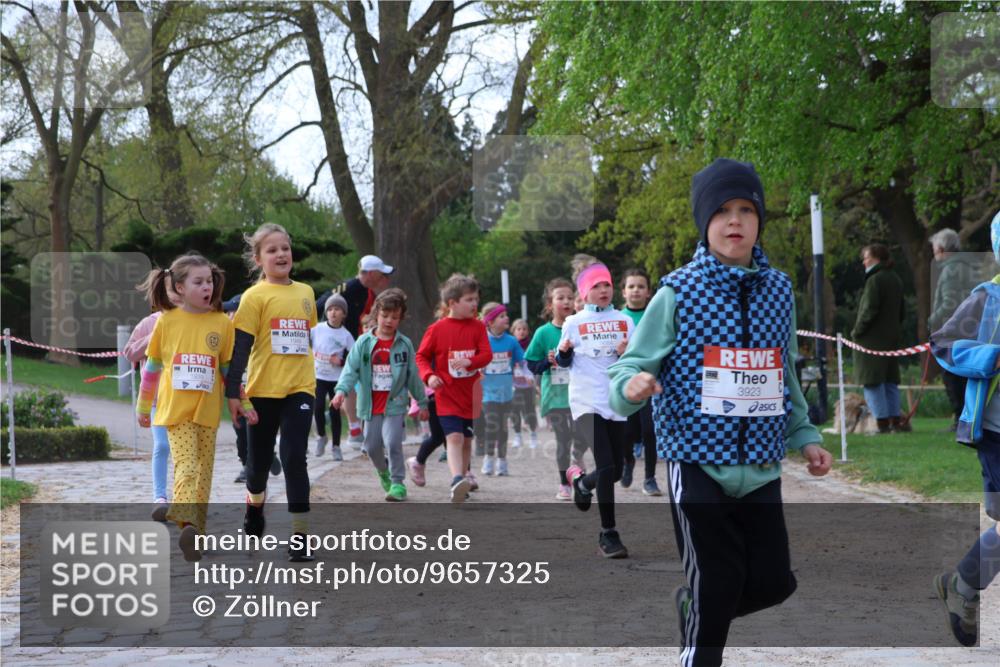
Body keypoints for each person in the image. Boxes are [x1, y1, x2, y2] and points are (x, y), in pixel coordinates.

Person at [608, 158, 832, 667]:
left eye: (747, 210)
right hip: (697, 461)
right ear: (704, 222)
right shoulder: (676, 291)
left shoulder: (778, 291)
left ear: (759, 221)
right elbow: (629, 366)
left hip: (760, 465)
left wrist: (805, 434)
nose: (736, 221)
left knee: (774, 582)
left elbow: (784, 371)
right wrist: (635, 385)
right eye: (723, 211)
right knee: (719, 579)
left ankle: (696, 608)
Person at [135, 254, 251, 561]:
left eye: (209, 281)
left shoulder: (221, 324)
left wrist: (242, 401)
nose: (206, 288)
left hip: (208, 414)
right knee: (186, 465)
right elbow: (152, 370)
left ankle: (196, 533)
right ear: (180, 287)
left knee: (204, 475)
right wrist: (143, 407)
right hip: (175, 412)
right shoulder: (167, 322)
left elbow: (228, 371)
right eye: (198, 282)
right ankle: (185, 519)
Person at [225, 223, 318, 562]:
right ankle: (253, 508)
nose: (281, 254)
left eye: (285, 248)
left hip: (300, 389)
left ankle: (300, 535)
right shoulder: (254, 297)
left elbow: (306, 340)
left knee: (295, 457)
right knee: (258, 465)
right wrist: (233, 393)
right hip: (262, 390)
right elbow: (240, 348)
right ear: (258, 258)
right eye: (272, 250)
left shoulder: (307, 293)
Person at [928, 212, 1000, 647]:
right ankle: (963, 585)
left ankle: (962, 583)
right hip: (996, 433)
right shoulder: (989, 298)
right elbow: (943, 344)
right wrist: (989, 357)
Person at [560, 255, 634, 558]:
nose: (604, 290)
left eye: (607, 284)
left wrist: (625, 353)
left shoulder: (625, 321)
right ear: (584, 293)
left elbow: (636, 359)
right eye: (596, 285)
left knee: (614, 470)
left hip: (615, 400)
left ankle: (582, 482)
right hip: (586, 401)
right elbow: (564, 362)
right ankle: (608, 533)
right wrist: (563, 352)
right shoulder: (574, 323)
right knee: (606, 465)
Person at [332, 288, 427, 501]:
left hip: (395, 403)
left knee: (393, 442)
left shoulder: (404, 344)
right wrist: (341, 391)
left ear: (401, 318)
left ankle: (397, 483)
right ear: (377, 314)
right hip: (370, 404)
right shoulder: (364, 343)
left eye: (394, 317)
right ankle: (383, 471)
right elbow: (350, 369)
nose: (389, 321)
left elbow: (413, 374)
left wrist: (422, 402)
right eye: (385, 315)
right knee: (372, 446)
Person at [415, 274, 492, 503]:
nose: (474, 304)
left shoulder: (478, 327)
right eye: (469, 299)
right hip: (446, 394)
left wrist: (471, 362)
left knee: (467, 440)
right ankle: (456, 479)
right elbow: (421, 357)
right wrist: (429, 377)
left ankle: (465, 476)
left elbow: (486, 354)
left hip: (470, 394)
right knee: (454, 437)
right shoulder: (437, 329)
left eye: (476, 299)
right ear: (452, 303)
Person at [316, 255, 394, 447]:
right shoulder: (348, 288)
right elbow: (321, 304)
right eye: (382, 274)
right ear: (371, 273)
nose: (385, 278)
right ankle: (353, 429)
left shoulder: (370, 294)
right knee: (348, 384)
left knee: (354, 384)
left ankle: (354, 427)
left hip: (355, 344)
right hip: (337, 346)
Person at [526, 277, 585, 500]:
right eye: (561, 298)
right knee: (563, 438)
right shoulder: (543, 333)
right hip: (556, 397)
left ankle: (576, 459)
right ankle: (564, 484)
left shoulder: (581, 328)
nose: (567, 301)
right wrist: (547, 362)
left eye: (570, 297)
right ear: (550, 304)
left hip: (580, 394)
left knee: (584, 435)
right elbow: (531, 363)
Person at [222, 294, 281, 483]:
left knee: (258, 432)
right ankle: (246, 464)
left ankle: (266, 455)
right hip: (238, 394)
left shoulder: (261, 338)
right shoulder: (226, 338)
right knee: (241, 434)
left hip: (259, 392)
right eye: (229, 312)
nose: (232, 316)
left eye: (236, 312)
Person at [928, 228, 981, 431]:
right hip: (972, 329)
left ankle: (960, 418)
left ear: (941, 249)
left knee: (952, 375)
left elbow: (950, 303)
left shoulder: (951, 270)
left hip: (955, 331)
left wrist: (932, 321)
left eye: (934, 249)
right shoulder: (969, 267)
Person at [852, 243, 908, 433]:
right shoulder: (896, 279)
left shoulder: (875, 280)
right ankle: (896, 422)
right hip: (891, 338)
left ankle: (881, 423)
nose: (864, 261)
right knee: (890, 381)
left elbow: (869, 309)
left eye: (866, 257)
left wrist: (857, 331)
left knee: (872, 381)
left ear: (876, 259)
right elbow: (902, 311)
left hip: (871, 340)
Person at [124, 297, 170, 521]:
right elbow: (130, 353)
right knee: (162, 445)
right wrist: (153, 338)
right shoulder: (148, 323)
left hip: (187, 402)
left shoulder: (195, 321)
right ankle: (159, 497)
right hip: (157, 401)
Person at [618, 268, 661, 496]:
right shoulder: (617, 319)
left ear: (648, 293)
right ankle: (628, 462)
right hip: (626, 383)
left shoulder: (655, 317)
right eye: (631, 286)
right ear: (623, 292)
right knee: (627, 433)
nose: (636, 290)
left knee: (650, 431)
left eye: (641, 286)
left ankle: (650, 478)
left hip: (652, 383)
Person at [479, 302, 524, 477]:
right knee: (491, 425)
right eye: (502, 316)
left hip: (506, 393)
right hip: (488, 393)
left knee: (503, 428)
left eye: (506, 315)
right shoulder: (482, 341)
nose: (507, 318)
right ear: (490, 322)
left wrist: (527, 370)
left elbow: (522, 360)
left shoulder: (511, 341)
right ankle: (489, 458)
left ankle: (502, 461)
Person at [311, 293, 355, 460]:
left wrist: (341, 361)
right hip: (318, 376)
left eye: (337, 309)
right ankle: (321, 436)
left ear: (343, 314)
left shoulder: (346, 335)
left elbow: (354, 358)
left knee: (335, 411)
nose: (333, 312)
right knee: (318, 407)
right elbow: (303, 343)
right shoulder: (317, 329)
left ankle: (336, 446)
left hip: (336, 379)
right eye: (330, 309)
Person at [509, 318, 539, 449]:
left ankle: (533, 435)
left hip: (528, 384)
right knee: (514, 411)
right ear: (513, 331)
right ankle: (517, 436)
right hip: (514, 385)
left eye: (524, 329)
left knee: (529, 410)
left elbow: (534, 363)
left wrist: (533, 378)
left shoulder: (531, 346)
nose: (522, 332)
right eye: (518, 329)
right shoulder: (509, 345)